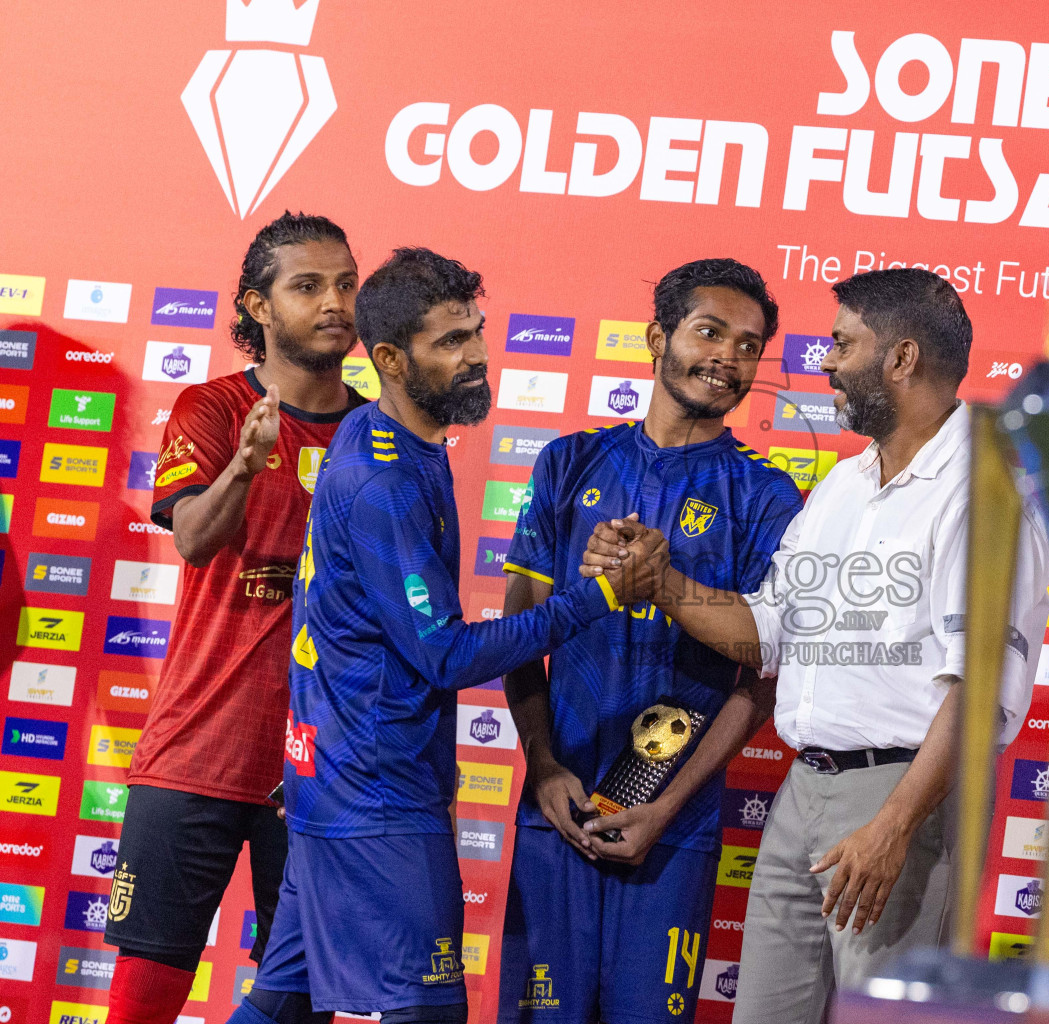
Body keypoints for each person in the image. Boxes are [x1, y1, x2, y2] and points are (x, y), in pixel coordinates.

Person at [582, 268, 1049, 1023]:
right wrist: (662, 581)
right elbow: (767, 632)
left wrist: (893, 825)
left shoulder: (984, 493)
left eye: (841, 344)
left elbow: (980, 691)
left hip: (906, 798)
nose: (822, 361)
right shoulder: (843, 485)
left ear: (900, 360)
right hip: (803, 793)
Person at [227, 248, 660, 1024]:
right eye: (451, 343)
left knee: (281, 1002)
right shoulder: (385, 478)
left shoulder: (386, 436)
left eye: (477, 333)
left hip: (342, 777)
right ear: (390, 359)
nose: (477, 356)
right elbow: (446, 655)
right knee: (428, 1012)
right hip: (374, 793)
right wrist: (597, 596)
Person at [498, 259, 803, 1024]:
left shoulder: (765, 495)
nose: (728, 358)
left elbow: (763, 674)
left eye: (748, 345)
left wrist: (667, 809)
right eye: (709, 332)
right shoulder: (567, 463)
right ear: (657, 337)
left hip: (677, 828)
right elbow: (516, 636)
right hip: (555, 811)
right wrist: (541, 766)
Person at [106, 211, 368, 1023]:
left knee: (303, 1003)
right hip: (197, 751)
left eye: (346, 284)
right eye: (308, 286)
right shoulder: (213, 408)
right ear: (257, 305)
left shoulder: (379, 434)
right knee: (144, 996)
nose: (335, 302)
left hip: (321, 769)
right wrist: (246, 470)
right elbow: (193, 538)